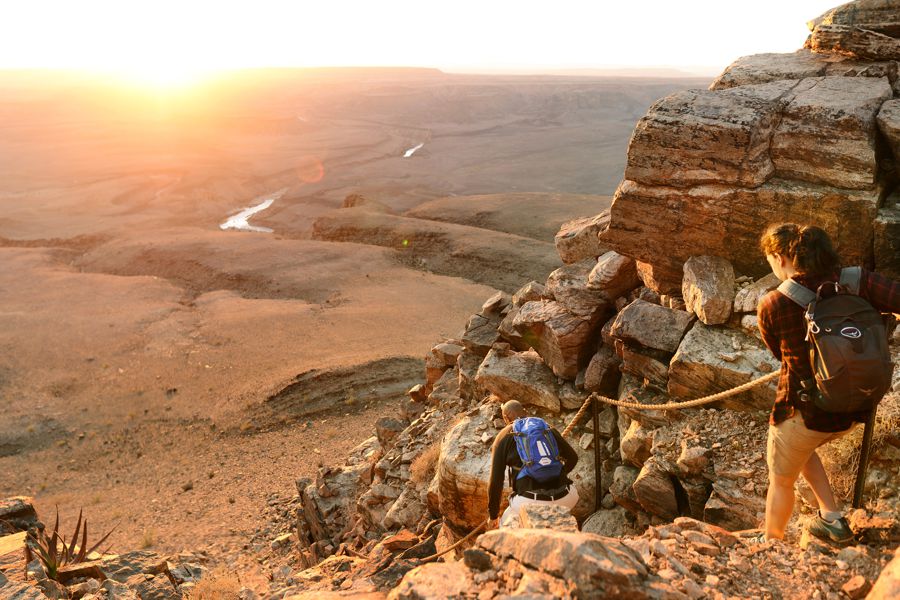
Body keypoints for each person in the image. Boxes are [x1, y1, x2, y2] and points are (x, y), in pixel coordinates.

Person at [757, 223, 899, 543]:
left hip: (806, 413)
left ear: (780, 257)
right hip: (860, 405)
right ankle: (831, 518)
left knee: (781, 479)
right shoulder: (859, 281)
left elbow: (778, 353)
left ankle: (770, 544)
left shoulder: (773, 304)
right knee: (804, 452)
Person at [487, 400, 579, 529]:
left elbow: (496, 481)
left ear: (506, 418)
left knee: (506, 523)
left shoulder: (504, 436)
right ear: (525, 412)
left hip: (529, 501)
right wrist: (555, 472)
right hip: (566, 498)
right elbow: (573, 458)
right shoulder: (546, 428)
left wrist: (493, 515)